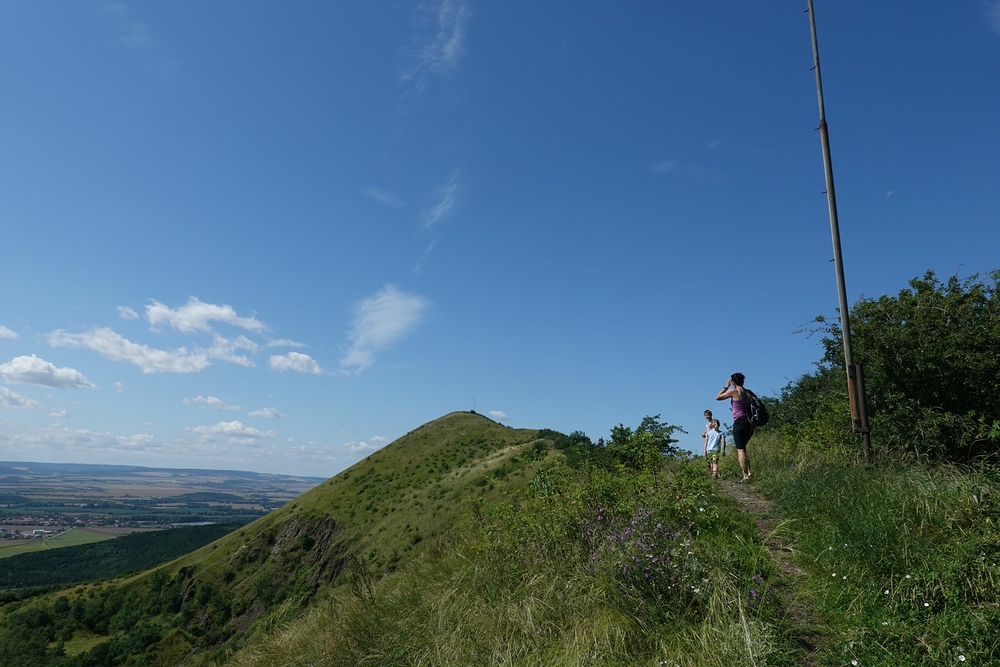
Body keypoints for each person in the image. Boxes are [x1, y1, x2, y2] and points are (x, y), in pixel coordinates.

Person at [716, 372, 753, 482]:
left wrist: (726, 386)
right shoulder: (749, 392)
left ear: (733, 382)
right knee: (744, 448)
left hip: (739, 422)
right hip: (750, 423)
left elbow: (718, 397)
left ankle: (745, 475)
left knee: (740, 450)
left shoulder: (734, 391)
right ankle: (749, 473)